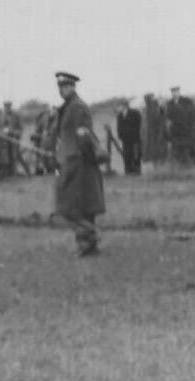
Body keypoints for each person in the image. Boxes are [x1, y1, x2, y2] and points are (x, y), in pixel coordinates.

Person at [50, 71, 105, 257]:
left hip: (78, 162)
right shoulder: (67, 107)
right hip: (73, 160)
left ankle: (89, 235)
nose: (62, 90)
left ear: (73, 87)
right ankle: (87, 247)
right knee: (82, 206)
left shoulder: (77, 107)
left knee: (67, 206)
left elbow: (84, 136)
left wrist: (85, 158)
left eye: (66, 86)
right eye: (60, 87)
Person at [164, 86, 195, 164]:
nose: (175, 93)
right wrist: (168, 123)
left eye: (176, 91)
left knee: (186, 145)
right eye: (173, 92)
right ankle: (178, 162)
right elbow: (167, 115)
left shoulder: (186, 101)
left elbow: (191, 113)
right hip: (175, 128)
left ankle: (187, 161)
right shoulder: (169, 103)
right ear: (171, 93)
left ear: (179, 92)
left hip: (185, 127)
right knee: (176, 146)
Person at [116, 101, 143, 176]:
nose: (118, 108)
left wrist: (136, 134)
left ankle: (137, 170)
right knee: (127, 154)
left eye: (120, 106)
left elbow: (139, 124)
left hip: (135, 138)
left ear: (125, 106)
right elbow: (119, 126)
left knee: (136, 154)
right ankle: (128, 170)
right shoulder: (120, 115)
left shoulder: (135, 113)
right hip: (125, 139)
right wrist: (120, 135)